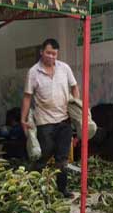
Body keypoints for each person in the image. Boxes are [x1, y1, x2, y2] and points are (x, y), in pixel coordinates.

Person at [21, 38, 79, 198]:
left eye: (54, 54)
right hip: (44, 122)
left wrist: (76, 107)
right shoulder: (33, 72)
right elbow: (27, 97)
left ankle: (62, 189)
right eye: (48, 53)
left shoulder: (64, 68)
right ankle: (32, 186)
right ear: (41, 52)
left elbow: (74, 87)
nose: (52, 57)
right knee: (43, 156)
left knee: (62, 158)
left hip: (64, 121)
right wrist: (23, 119)